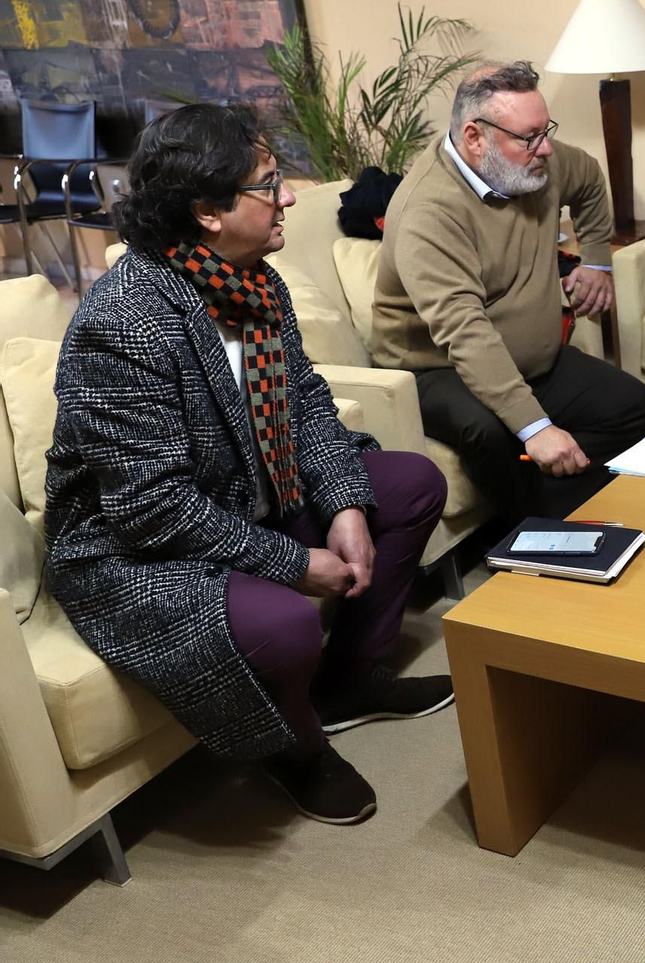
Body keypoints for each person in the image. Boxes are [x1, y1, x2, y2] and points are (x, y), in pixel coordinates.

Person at [44, 104, 454, 824]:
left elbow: (305, 402)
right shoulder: (124, 323)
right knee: (287, 623)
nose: (290, 195)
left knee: (412, 483)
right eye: (270, 183)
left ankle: (351, 679)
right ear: (207, 211)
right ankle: (296, 747)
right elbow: (152, 509)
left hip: (244, 494)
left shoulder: (254, 282)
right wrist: (296, 565)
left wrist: (348, 505)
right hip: (135, 549)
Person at [369, 61, 645, 522]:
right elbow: (463, 331)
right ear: (475, 137)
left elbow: (588, 180)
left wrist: (598, 262)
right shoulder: (429, 210)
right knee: (491, 430)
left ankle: (560, 504)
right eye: (529, 137)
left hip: (532, 361)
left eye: (546, 131)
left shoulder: (538, 160)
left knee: (634, 407)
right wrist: (536, 428)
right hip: (437, 367)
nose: (546, 149)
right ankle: (533, 532)